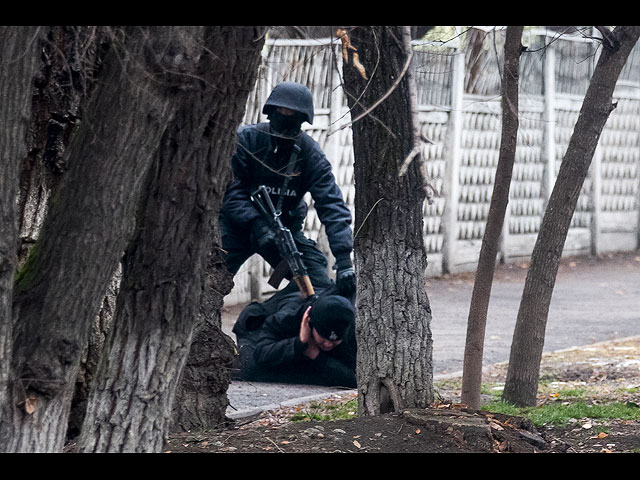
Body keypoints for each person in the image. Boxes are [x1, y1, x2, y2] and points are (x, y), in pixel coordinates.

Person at [219, 81, 356, 297]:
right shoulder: (246, 140)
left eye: (293, 115)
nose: (286, 118)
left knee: (318, 287)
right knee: (208, 281)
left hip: (283, 232)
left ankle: (278, 321)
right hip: (238, 229)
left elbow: (331, 204)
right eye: (282, 112)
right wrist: (256, 224)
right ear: (271, 112)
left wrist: (344, 260)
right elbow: (230, 192)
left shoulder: (309, 153)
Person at [231, 285, 356, 388]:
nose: (328, 344)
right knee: (251, 369)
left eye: (335, 341)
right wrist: (298, 343)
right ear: (310, 323)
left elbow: (355, 379)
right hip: (255, 330)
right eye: (323, 338)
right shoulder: (287, 316)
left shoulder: (351, 330)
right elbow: (262, 353)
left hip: (307, 352)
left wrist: (316, 356)